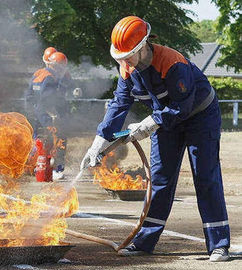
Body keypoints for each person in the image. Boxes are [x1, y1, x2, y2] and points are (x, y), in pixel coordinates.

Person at [80, 16, 230, 262]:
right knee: (159, 179)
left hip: (199, 117)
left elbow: (183, 105)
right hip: (165, 120)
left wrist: (151, 122)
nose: (124, 61)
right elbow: (120, 103)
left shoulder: (172, 63)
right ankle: (145, 242)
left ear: (143, 47)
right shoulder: (128, 68)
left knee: (205, 176)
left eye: (128, 55)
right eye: (120, 57)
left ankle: (219, 244)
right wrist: (100, 139)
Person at [25, 50, 71, 180]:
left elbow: (29, 96)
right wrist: (50, 121)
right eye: (60, 67)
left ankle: (34, 166)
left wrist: (32, 111)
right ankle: (57, 169)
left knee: (37, 141)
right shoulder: (50, 78)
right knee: (58, 140)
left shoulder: (38, 74)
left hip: (35, 113)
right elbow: (50, 101)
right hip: (46, 115)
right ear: (53, 65)